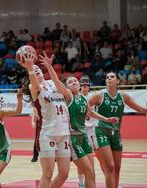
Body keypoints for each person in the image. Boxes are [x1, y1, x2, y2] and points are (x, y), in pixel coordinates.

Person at [39, 52, 118, 188]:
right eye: (70, 82)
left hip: (84, 138)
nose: (74, 82)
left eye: (75, 80)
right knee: (87, 171)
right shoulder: (69, 96)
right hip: (74, 140)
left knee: (91, 172)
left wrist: (107, 119)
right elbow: (57, 82)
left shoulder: (83, 98)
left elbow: (90, 112)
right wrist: (50, 67)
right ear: (67, 87)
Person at [88, 72, 147, 188]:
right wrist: (97, 117)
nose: (109, 79)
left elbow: (140, 108)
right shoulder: (99, 95)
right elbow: (85, 107)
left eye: (112, 77)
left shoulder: (123, 96)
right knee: (110, 166)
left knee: (117, 168)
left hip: (116, 133)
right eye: (107, 77)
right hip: (101, 131)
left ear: (117, 81)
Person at [22, 51, 71, 188]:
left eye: (38, 69)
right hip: (47, 133)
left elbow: (62, 87)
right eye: (34, 70)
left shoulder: (53, 83)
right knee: (48, 174)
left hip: (64, 132)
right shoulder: (34, 87)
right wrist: (30, 67)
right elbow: (35, 85)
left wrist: (49, 66)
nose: (36, 71)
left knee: (64, 173)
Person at [78, 75, 96, 187]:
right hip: (80, 130)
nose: (84, 87)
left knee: (90, 159)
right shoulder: (77, 97)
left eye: (86, 85)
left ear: (89, 87)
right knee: (80, 158)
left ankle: (90, 180)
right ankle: (80, 182)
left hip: (91, 130)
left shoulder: (93, 97)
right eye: (83, 85)